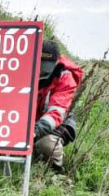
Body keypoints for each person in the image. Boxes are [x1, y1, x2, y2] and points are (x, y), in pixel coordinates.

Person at [33, 39, 83, 171]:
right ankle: (34, 154)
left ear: (56, 62)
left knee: (47, 143)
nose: (41, 71)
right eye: (40, 65)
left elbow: (56, 113)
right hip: (34, 119)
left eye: (46, 67)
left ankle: (55, 166)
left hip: (58, 122)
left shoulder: (66, 78)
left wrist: (34, 131)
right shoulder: (24, 68)